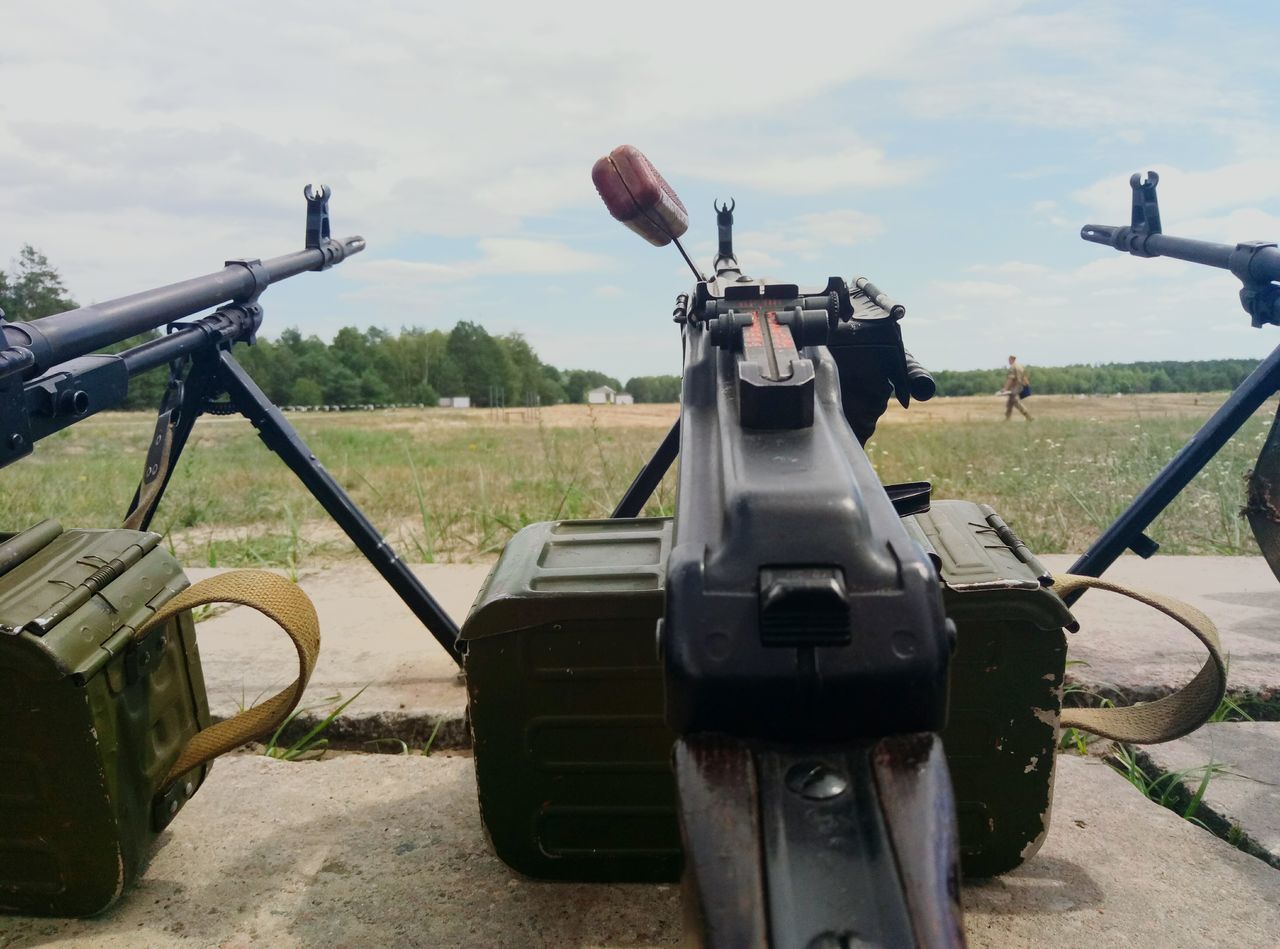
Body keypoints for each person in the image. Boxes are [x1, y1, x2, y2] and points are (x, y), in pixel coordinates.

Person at [1000, 355, 1032, 420]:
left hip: (1014, 388)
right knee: (1010, 403)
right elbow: (1024, 376)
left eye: (1009, 359)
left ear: (1011, 359)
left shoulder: (1012, 367)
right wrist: (1027, 385)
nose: (1008, 361)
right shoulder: (1020, 366)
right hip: (1020, 386)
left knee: (1015, 402)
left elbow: (1010, 379)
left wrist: (1005, 389)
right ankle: (1007, 419)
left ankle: (1028, 416)